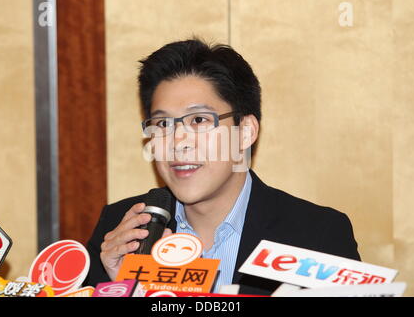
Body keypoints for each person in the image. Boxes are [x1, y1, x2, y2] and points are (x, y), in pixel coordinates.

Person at [84, 38, 360, 294]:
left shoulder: (316, 234)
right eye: (163, 124)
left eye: (199, 121)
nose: (178, 142)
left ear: (246, 131)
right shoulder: (122, 229)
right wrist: (124, 287)